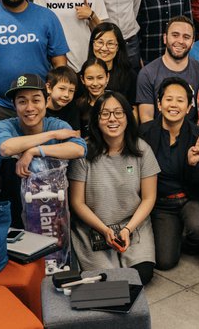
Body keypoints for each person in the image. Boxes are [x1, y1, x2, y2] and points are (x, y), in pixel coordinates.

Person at [69, 91, 159, 284]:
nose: (112, 119)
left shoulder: (142, 149)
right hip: (94, 227)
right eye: (105, 114)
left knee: (141, 274)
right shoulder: (82, 151)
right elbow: (77, 203)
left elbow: (149, 198)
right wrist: (104, 229)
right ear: (96, 119)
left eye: (118, 113)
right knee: (108, 280)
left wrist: (127, 229)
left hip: (133, 225)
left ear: (128, 117)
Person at [0, 73, 87, 229]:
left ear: (47, 101)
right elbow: (6, 148)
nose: (30, 108)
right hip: (14, 214)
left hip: (53, 212)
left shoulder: (57, 124)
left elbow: (79, 149)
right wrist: (52, 135)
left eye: (36, 100)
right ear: (14, 105)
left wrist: (34, 151)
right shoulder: (4, 126)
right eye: (22, 101)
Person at [141, 77, 199, 270]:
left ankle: (187, 237)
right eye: (169, 99)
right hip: (160, 204)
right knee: (165, 262)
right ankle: (172, 233)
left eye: (180, 100)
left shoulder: (198, 136)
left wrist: (192, 164)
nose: (174, 105)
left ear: (189, 107)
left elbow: (198, 181)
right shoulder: (144, 133)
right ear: (159, 103)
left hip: (188, 198)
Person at [136, 16, 199, 124]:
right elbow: (147, 119)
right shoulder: (147, 74)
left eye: (186, 37)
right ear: (165, 38)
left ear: (193, 43)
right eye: (175, 35)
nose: (180, 41)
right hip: (158, 136)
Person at [87, 22, 137, 101]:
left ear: (118, 47)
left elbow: (133, 108)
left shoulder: (129, 75)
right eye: (100, 42)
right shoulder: (83, 74)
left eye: (110, 44)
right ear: (92, 44)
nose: (104, 48)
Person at [75, 58, 111, 136]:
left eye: (100, 78)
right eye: (90, 78)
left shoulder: (116, 101)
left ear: (107, 77)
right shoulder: (78, 105)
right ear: (82, 79)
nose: (95, 83)